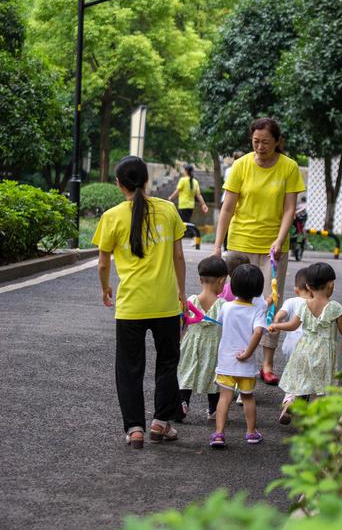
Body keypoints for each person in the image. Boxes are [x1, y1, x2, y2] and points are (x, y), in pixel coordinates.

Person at [92, 156, 189, 450]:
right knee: (168, 362)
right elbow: (179, 258)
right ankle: (161, 422)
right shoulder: (169, 209)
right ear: (146, 181)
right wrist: (182, 293)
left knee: (129, 368)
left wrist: (106, 288)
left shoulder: (112, 216)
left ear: (119, 184)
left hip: (131, 305)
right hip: (166, 304)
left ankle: (135, 429)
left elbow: (102, 263)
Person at [214, 117, 306, 386]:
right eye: (256, 141)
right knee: (236, 303)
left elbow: (290, 208)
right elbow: (228, 208)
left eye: (266, 142)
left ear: (278, 141)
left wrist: (279, 239)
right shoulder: (240, 166)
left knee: (270, 304)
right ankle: (232, 358)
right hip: (241, 243)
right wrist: (219, 245)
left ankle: (266, 363)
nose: (260, 146)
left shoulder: (289, 168)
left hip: (273, 248)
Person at [269, 262, 342, 420]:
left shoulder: (304, 305)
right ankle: (317, 416)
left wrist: (276, 325)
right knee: (322, 386)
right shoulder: (335, 308)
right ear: (330, 285)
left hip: (303, 349)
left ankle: (292, 403)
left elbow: (292, 325)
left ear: (308, 286)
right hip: (324, 352)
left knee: (303, 381)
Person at [210, 264, 268, 448]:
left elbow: (218, 323)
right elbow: (258, 332)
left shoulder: (226, 307)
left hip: (227, 361)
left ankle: (219, 434)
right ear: (258, 290)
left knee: (224, 397)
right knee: (248, 397)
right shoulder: (257, 310)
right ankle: (251, 432)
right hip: (246, 364)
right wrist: (248, 353)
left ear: (233, 286)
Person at [178, 256, 228, 420]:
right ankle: (213, 409)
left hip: (191, 343)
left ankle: (183, 404)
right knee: (213, 377)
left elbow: (182, 322)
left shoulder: (191, 300)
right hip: (213, 346)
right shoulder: (223, 305)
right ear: (221, 281)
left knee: (186, 372)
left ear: (200, 279)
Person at [273, 268, 310, 424]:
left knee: (294, 373)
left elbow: (281, 314)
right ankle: (297, 402)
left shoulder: (291, 301)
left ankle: (289, 400)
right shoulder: (317, 303)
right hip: (309, 345)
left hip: (290, 346)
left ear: (296, 289)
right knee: (306, 376)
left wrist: (276, 323)